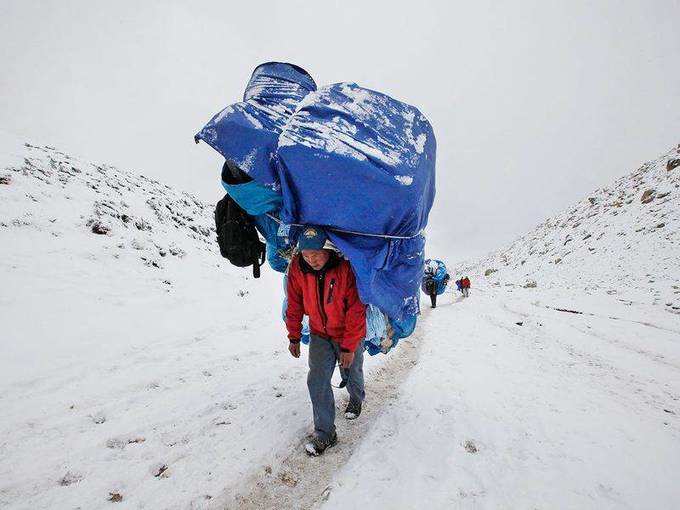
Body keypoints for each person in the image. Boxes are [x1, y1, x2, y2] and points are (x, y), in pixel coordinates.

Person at [285, 226, 367, 456]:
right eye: (306, 255)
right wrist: (293, 336)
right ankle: (326, 433)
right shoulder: (298, 270)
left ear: (328, 250)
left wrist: (349, 347)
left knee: (351, 372)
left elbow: (356, 310)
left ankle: (356, 398)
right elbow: (294, 304)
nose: (311, 260)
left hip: (347, 332)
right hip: (319, 334)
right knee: (317, 380)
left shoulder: (345, 269)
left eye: (316, 254)